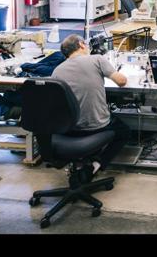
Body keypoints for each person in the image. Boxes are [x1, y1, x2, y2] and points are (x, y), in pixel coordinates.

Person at [49, 35, 130, 179]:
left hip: (69, 129)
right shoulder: (96, 59)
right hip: (96, 126)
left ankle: (83, 160)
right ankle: (97, 163)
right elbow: (122, 81)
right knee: (125, 131)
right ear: (81, 44)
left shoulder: (57, 71)